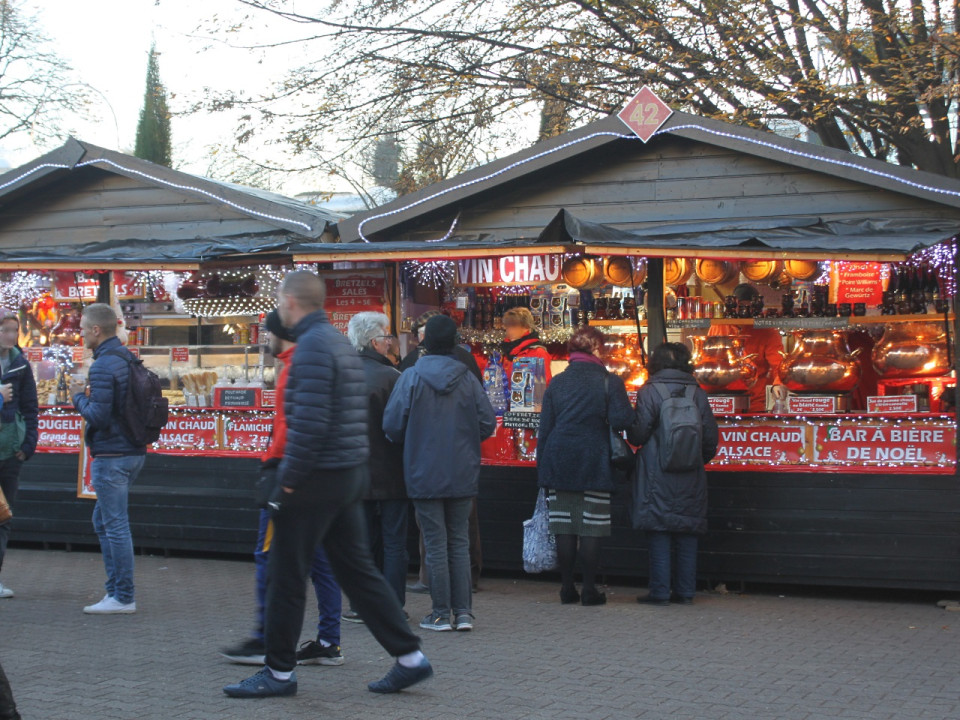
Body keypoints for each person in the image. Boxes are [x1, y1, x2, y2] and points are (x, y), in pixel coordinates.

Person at [224, 271, 430, 699]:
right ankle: (410, 658)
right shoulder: (336, 343)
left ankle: (279, 672)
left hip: (316, 477)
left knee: (285, 573)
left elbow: (310, 425)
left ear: (290, 301)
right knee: (357, 572)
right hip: (346, 473)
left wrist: (287, 485)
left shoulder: (313, 348)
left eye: (281, 301)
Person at [220, 310, 344, 667]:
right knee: (323, 563)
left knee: (270, 558)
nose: (264, 338)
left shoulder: (294, 368)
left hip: (293, 477)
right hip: (323, 479)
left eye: (266, 332)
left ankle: (266, 639)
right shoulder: (321, 362)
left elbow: (293, 428)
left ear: (279, 334)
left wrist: (277, 472)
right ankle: (328, 641)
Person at [383, 315, 496, 632]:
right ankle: (463, 614)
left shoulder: (411, 377)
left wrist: (413, 439)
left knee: (435, 544)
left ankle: (439, 613)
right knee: (458, 542)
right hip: (462, 470)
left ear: (425, 342)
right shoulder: (468, 378)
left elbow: (392, 425)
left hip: (423, 471)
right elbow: (487, 423)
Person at [536, 326, 637, 606]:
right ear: (597, 349)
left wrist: (542, 469)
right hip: (594, 458)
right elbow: (622, 420)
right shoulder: (609, 381)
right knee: (591, 526)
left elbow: (545, 429)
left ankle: (567, 588)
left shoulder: (557, 382)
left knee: (565, 527)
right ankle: (590, 590)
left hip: (559, 458)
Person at [633, 342, 719, 606]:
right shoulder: (698, 393)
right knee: (687, 531)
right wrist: (694, 460)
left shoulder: (649, 391)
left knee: (659, 530)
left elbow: (638, 435)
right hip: (691, 474)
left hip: (655, 473)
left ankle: (659, 593)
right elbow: (711, 439)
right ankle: (686, 593)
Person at [73, 303, 146, 615]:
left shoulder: (102, 366)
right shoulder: (127, 357)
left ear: (96, 330)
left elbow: (99, 416)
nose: (79, 333)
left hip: (112, 454)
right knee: (103, 520)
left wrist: (77, 395)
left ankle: (122, 596)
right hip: (132, 451)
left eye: (82, 328)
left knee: (114, 524)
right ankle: (116, 590)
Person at [342, 312, 408, 620]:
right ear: (374, 341)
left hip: (354, 471)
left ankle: (361, 603)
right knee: (394, 540)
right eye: (386, 338)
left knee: (363, 541)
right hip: (392, 471)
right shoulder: (393, 378)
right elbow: (403, 426)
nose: (390, 343)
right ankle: (392, 604)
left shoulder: (341, 373)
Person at [0, 312, 38, 599]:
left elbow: (30, 406)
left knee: (3, 516)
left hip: (10, 451)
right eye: (5, 330)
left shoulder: (20, 364)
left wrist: (27, 445)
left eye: (14, 330)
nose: (11, 336)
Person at [399, 310, 482, 382]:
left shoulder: (411, 361)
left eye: (418, 335)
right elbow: (479, 394)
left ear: (424, 335)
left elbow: (400, 397)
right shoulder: (466, 357)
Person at [501, 306, 552, 381]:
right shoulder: (505, 351)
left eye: (514, 326)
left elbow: (545, 384)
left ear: (526, 327)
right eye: (508, 326)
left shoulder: (538, 353)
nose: (509, 330)